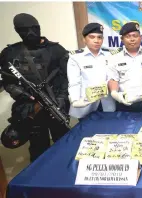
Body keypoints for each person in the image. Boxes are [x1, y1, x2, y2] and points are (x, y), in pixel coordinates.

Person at [0, 13, 70, 162]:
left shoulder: (56, 50)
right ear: (17, 31)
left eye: (33, 29)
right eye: (24, 30)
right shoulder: (10, 53)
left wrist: (61, 97)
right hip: (30, 107)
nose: (30, 33)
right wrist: (20, 93)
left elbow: (67, 76)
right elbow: (7, 81)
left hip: (55, 103)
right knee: (38, 148)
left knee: (64, 144)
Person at [67, 23, 116, 120]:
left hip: (106, 103)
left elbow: (113, 77)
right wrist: (75, 100)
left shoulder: (110, 55)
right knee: (87, 133)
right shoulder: (76, 57)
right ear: (84, 39)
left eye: (99, 37)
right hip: (85, 103)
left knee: (109, 131)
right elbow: (74, 82)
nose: (96, 40)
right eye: (92, 37)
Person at [107, 22, 142, 112]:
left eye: (135, 36)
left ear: (141, 38)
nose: (132, 39)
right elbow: (113, 79)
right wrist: (115, 94)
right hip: (124, 101)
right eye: (128, 36)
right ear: (122, 39)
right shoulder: (114, 57)